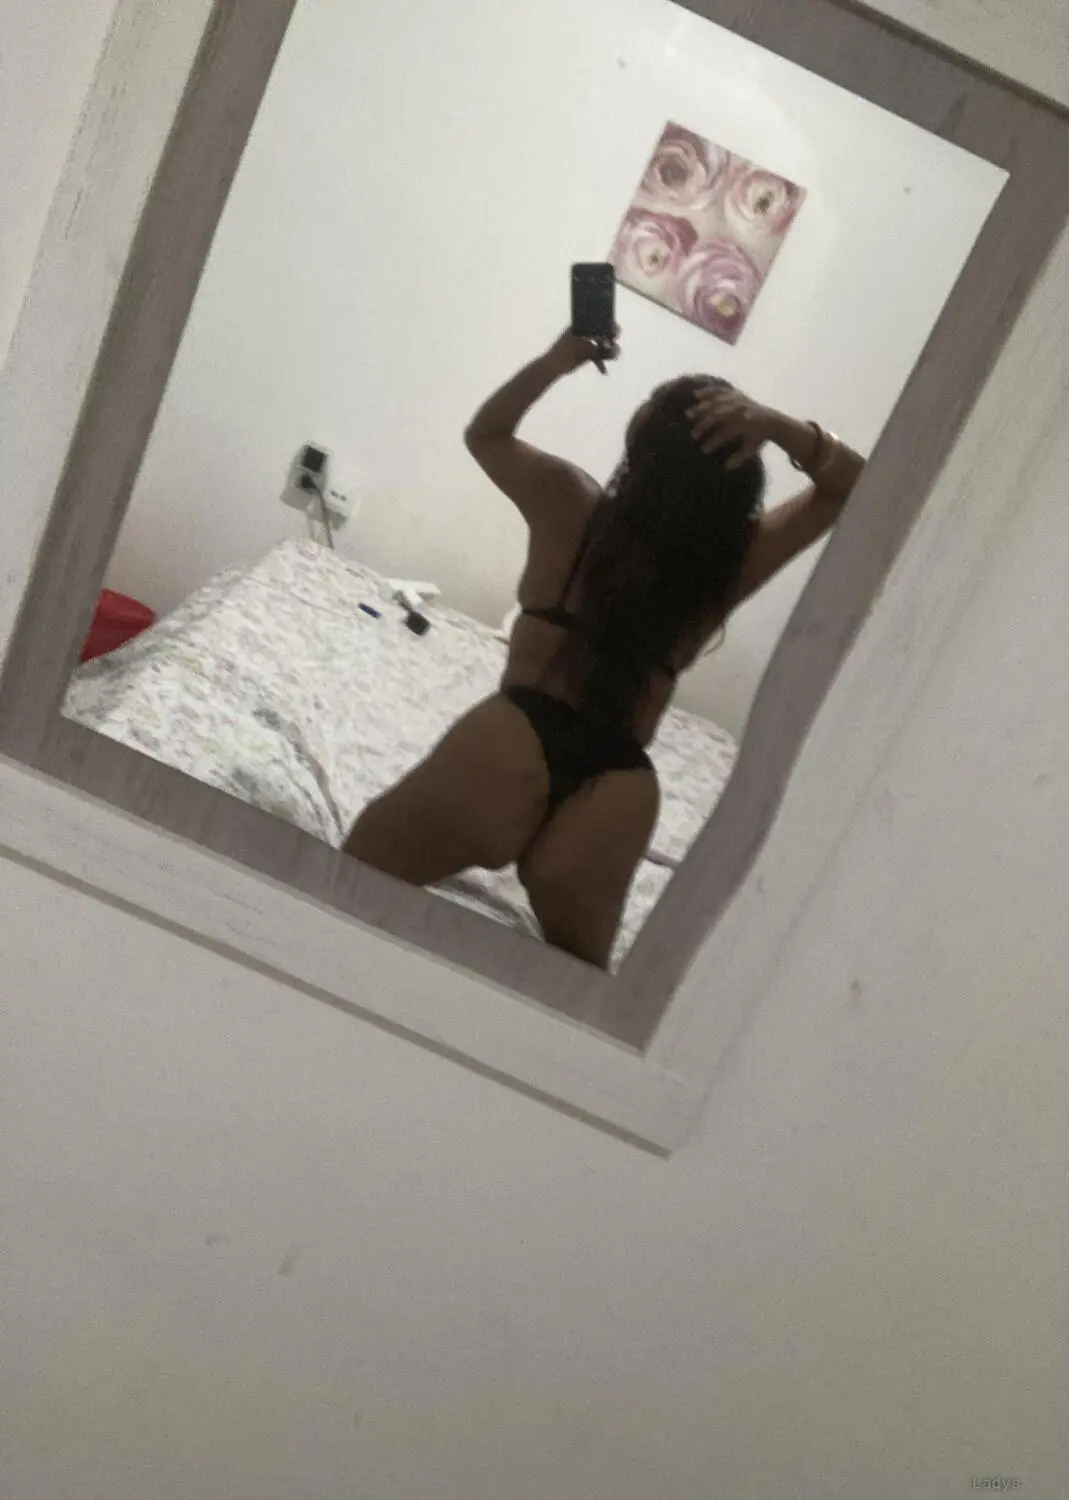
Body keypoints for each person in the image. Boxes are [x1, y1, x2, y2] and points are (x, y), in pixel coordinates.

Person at [345, 328, 865, 966]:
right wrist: (778, 426)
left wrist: (557, 360)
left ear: (641, 446)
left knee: (342, 884)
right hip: (619, 791)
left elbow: (487, 434)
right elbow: (852, 486)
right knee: (577, 991)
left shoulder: (569, 502)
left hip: (512, 743)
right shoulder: (724, 570)